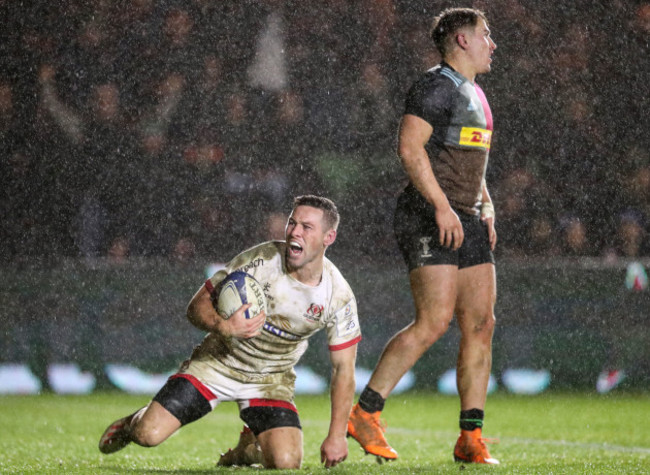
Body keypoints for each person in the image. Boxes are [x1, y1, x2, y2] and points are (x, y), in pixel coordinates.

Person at [98, 195, 361, 469]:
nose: (294, 231)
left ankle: (246, 450)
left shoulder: (337, 295)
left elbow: (344, 370)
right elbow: (196, 306)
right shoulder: (260, 261)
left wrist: (337, 436)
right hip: (217, 364)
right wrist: (224, 326)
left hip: (270, 381)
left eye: (307, 227)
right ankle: (131, 424)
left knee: (285, 463)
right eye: (292, 223)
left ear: (328, 237)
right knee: (147, 435)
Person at [347, 7, 499, 465]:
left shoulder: (474, 92)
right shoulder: (434, 86)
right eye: (485, 35)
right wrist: (441, 206)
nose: (493, 43)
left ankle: (470, 437)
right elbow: (410, 150)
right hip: (428, 214)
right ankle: (364, 413)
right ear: (462, 41)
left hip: (466, 216)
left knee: (480, 324)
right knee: (434, 321)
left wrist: (485, 204)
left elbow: (469, 158)